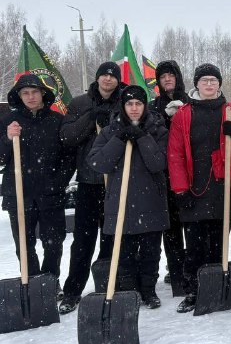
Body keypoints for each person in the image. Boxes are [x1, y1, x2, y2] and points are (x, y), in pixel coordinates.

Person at [167, 64, 231, 313]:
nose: (209, 84)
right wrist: (180, 190)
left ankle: (217, 286)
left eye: (214, 80)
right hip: (194, 187)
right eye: (204, 80)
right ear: (196, 84)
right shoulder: (183, 114)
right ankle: (194, 290)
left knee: (219, 241)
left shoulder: (230, 112)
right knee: (194, 245)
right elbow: (175, 155)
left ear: (219, 84)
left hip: (223, 185)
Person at [89, 85, 169, 308]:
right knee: (124, 253)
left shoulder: (157, 130)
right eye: (129, 104)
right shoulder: (110, 131)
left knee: (151, 252)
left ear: (145, 106)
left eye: (139, 103)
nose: (134, 108)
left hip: (151, 200)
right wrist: (119, 139)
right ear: (123, 107)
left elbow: (158, 163)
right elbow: (97, 163)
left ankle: (149, 291)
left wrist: (142, 137)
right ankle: (129, 291)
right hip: (121, 202)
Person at [58, 61, 125, 314]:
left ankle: (107, 286)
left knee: (112, 238)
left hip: (115, 182)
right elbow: (67, 137)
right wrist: (91, 117)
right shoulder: (79, 103)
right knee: (83, 241)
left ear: (118, 80)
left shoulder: (124, 102)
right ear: (97, 78)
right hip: (88, 181)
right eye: (103, 75)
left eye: (112, 76)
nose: (108, 79)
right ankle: (73, 291)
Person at [1, 75, 73, 294]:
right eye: (25, 93)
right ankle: (33, 285)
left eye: (34, 92)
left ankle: (50, 282)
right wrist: (7, 138)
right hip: (18, 194)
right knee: (24, 243)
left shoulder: (57, 121)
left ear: (43, 93)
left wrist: (58, 182)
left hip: (50, 194)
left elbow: (68, 157)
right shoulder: (8, 121)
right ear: (19, 96)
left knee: (54, 242)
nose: (30, 97)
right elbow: (1, 158)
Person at [149, 60, 191, 294]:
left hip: (190, 172)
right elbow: (151, 134)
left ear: (178, 78)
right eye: (162, 76)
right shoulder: (154, 107)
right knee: (171, 228)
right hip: (165, 175)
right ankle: (176, 272)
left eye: (171, 75)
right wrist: (163, 118)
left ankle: (191, 269)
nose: (167, 79)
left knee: (191, 225)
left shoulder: (190, 101)